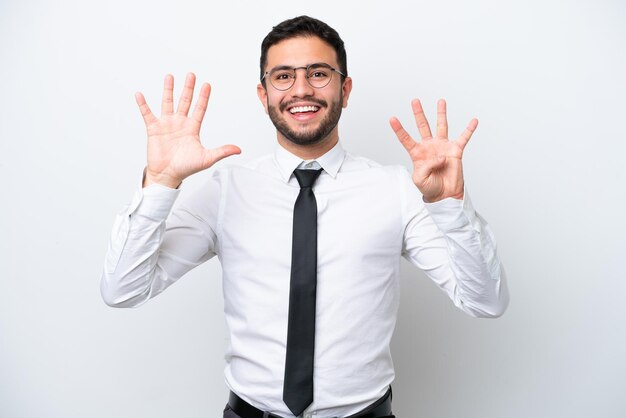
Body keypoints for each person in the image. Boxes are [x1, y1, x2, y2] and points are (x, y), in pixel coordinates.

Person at [101, 15, 509, 418]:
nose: (301, 90)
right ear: (263, 95)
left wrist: (450, 205)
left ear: (345, 89)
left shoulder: (397, 190)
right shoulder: (226, 190)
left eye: (318, 73)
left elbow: (486, 302)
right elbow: (123, 290)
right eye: (282, 76)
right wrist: (159, 183)